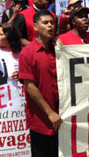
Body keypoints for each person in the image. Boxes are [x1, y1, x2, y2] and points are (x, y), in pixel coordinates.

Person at [19, 9, 61, 157]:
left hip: (63, 119)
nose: (50, 26)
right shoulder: (27, 53)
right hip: (41, 121)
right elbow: (30, 87)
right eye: (45, 23)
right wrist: (50, 113)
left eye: (52, 23)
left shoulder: (60, 49)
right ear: (35, 27)